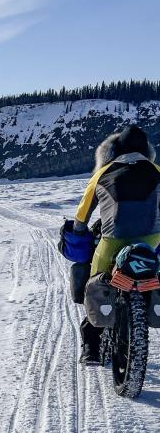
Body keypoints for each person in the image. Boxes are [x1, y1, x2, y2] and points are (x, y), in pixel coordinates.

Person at [71, 125, 160, 364]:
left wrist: (80, 231)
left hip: (112, 241)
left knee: (95, 281)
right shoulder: (158, 171)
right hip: (152, 242)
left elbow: (82, 215)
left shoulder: (103, 173)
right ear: (147, 151)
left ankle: (91, 346)